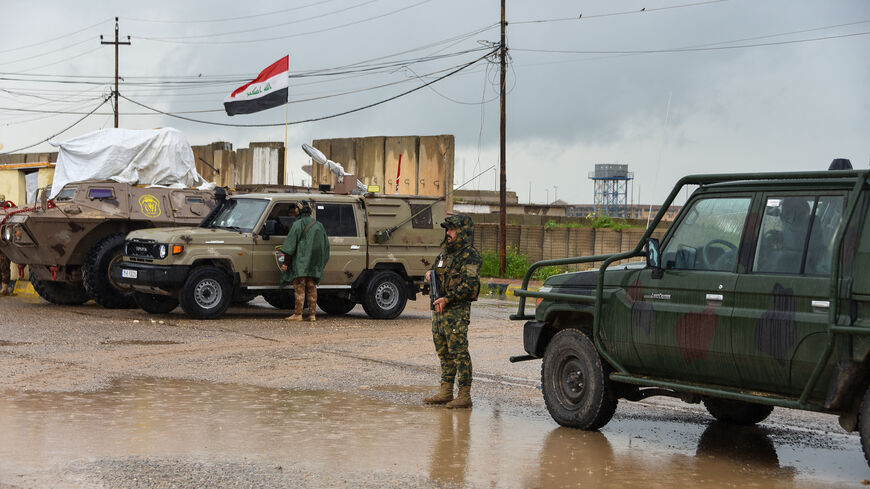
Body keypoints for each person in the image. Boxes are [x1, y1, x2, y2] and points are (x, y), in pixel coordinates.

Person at [423, 214, 481, 409]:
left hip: (456, 311)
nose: (448, 233)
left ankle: (464, 394)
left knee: (459, 351)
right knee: (443, 351)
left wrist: (448, 299)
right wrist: (429, 275)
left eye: (452, 229)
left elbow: (469, 285)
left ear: (463, 232)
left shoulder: (470, 255)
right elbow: (435, 271)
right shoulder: (444, 255)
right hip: (439, 310)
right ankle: (446, 391)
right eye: (447, 229)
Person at [280, 201, 330, 322]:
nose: (294, 211)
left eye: (296, 209)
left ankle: (298, 314)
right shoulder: (319, 225)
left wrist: (286, 263)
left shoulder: (298, 224)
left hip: (301, 263)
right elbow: (326, 247)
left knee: (299, 287)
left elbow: (289, 246)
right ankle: (312, 315)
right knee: (312, 287)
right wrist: (320, 263)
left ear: (299, 211)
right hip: (314, 263)